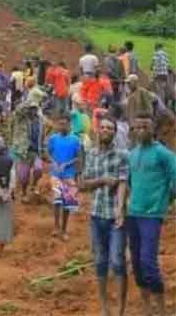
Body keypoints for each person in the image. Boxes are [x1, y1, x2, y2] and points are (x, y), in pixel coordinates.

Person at [126, 115, 176, 316]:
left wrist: (166, 202)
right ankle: (146, 306)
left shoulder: (163, 154)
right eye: (137, 127)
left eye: (144, 127)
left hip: (152, 215)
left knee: (148, 260)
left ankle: (162, 308)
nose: (140, 131)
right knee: (136, 262)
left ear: (152, 129)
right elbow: (130, 182)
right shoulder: (132, 154)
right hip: (133, 212)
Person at [79, 116, 128, 316]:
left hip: (115, 216)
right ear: (98, 130)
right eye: (103, 127)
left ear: (115, 133)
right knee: (100, 262)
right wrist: (103, 180)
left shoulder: (122, 155)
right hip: (96, 214)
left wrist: (120, 208)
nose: (106, 130)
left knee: (117, 261)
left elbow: (123, 182)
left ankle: (120, 310)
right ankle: (104, 307)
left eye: (110, 128)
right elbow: (83, 185)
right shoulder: (91, 154)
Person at [47, 113, 82, 241]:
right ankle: (56, 226)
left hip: (69, 174)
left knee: (67, 202)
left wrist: (68, 164)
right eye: (59, 124)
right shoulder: (53, 138)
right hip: (55, 173)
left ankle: (64, 228)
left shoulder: (75, 140)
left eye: (64, 124)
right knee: (57, 200)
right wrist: (54, 162)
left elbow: (78, 157)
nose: (62, 126)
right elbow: (48, 153)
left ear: (69, 124)